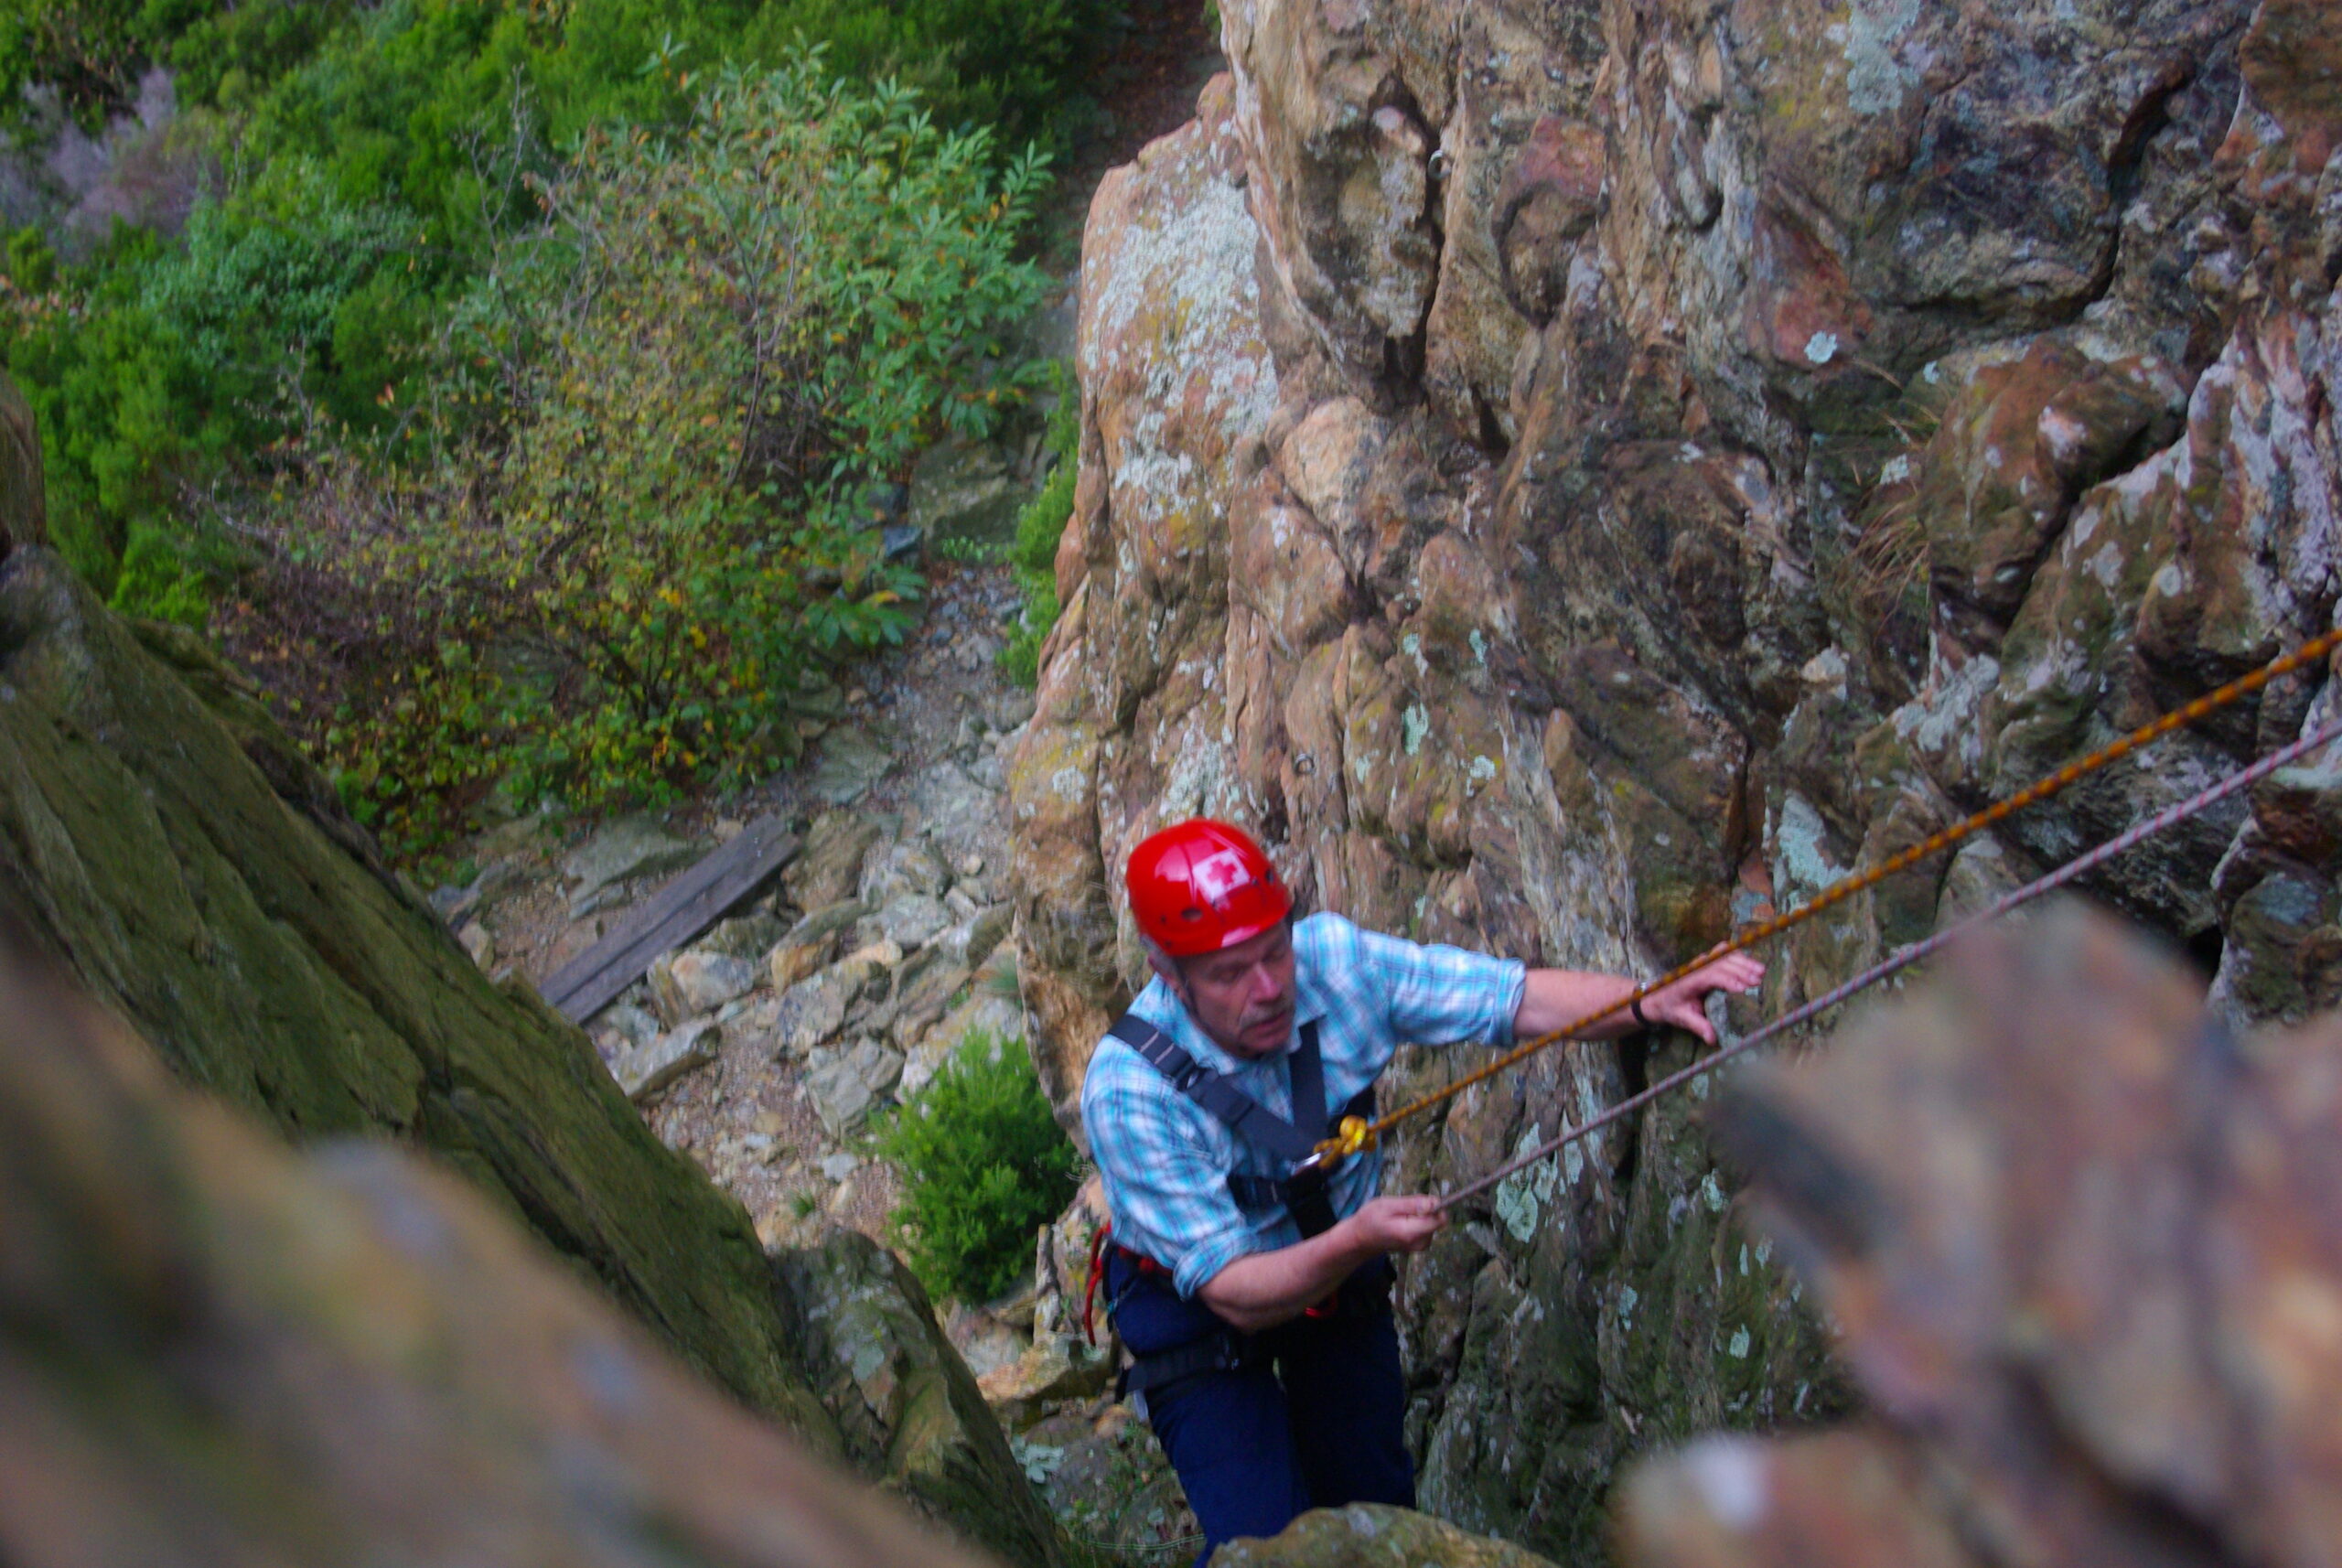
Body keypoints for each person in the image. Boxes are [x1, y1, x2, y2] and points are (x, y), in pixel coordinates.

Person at [1080, 818, 1763, 1560]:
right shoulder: (1130, 1091)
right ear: (1168, 976)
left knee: (1376, 1518)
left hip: (1335, 1272)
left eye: (1275, 950)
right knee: (1265, 1547)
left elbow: (1510, 999)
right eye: (1229, 972)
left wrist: (1646, 1000)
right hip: (1202, 1314)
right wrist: (1360, 1239)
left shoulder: (1335, 963)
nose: (1270, 987)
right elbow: (1235, 1289)